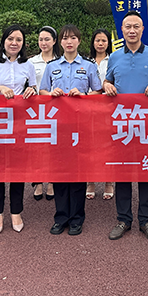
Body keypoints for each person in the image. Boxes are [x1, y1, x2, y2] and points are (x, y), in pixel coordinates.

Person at [103, 11, 148, 242]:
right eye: (128, 26)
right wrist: (106, 85)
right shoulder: (114, 57)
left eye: (136, 26)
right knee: (122, 172)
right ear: (122, 30)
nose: (132, 30)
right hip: (121, 124)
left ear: (143, 29)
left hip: (147, 124)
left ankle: (146, 220)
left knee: (146, 172)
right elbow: (107, 81)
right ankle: (123, 219)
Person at [39, 24, 102, 236]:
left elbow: (98, 92)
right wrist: (51, 94)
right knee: (59, 172)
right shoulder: (51, 66)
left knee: (77, 172)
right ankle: (61, 217)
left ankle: (76, 218)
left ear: (79, 41)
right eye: (65, 38)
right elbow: (42, 91)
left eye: (73, 38)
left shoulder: (89, 66)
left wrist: (83, 96)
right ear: (60, 42)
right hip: (57, 126)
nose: (69, 42)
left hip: (79, 126)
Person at [0, 24, 37, 235]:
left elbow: (34, 88)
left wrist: (32, 90)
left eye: (18, 40)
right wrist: (0, 88)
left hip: (19, 124)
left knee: (18, 169)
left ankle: (16, 211)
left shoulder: (28, 65)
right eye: (10, 39)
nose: (14, 43)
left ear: (23, 44)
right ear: (3, 41)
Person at [29, 25, 61, 202]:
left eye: (47, 39)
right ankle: (38, 181)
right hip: (36, 111)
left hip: (57, 109)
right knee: (37, 147)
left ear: (54, 41)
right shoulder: (31, 62)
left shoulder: (61, 61)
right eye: (41, 39)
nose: (43, 43)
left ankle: (52, 181)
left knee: (54, 147)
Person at [86, 28, 114, 201]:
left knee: (108, 146)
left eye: (104, 40)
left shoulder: (114, 60)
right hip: (89, 108)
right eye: (97, 40)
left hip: (109, 108)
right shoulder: (85, 61)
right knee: (90, 146)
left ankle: (108, 182)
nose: (101, 44)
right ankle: (90, 181)